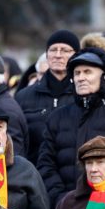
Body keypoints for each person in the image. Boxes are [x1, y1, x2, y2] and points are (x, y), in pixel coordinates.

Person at [38, 47, 105, 208]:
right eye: (77, 73)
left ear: (103, 76)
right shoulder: (57, 117)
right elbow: (46, 164)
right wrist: (61, 199)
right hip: (65, 206)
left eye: (88, 72)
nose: (81, 78)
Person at [16, 30, 80, 160]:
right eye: (53, 50)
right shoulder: (23, 96)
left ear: (76, 55)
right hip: (34, 173)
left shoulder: (82, 94)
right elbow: (17, 140)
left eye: (65, 50)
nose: (58, 55)